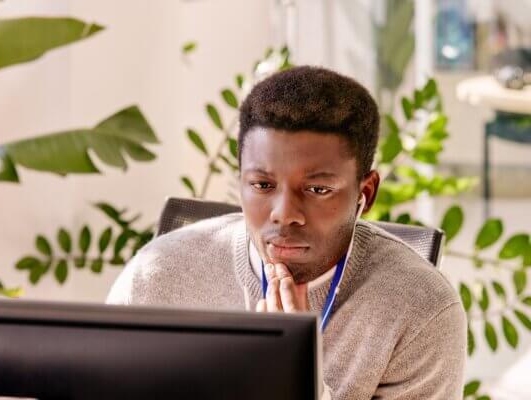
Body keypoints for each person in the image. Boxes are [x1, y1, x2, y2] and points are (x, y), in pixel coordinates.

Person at [107, 66, 467, 399]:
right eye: (262, 185)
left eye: (317, 190)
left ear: (365, 193)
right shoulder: (159, 273)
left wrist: (298, 380)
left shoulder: (421, 310)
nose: (284, 214)